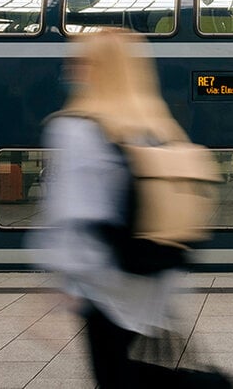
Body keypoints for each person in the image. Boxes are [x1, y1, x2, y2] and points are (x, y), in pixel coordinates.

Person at [30, 29, 193, 387]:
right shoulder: (156, 125)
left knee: (115, 377)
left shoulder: (76, 128)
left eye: (79, 63)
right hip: (151, 277)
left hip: (104, 282)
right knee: (126, 372)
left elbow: (74, 210)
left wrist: (63, 283)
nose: (71, 70)